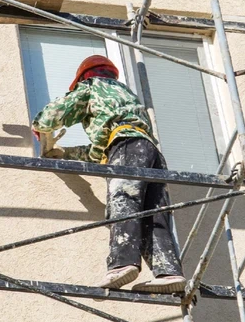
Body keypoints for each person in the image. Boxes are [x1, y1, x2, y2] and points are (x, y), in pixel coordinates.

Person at [32, 54, 186, 292]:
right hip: (150, 152)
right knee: (154, 213)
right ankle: (168, 272)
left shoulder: (92, 86)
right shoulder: (126, 96)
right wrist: (66, 154)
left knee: (122, 201)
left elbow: (55, 115)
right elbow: (102, 151)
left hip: (126, 147)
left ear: (85, 77)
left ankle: (122, 264)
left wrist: (40, 125)